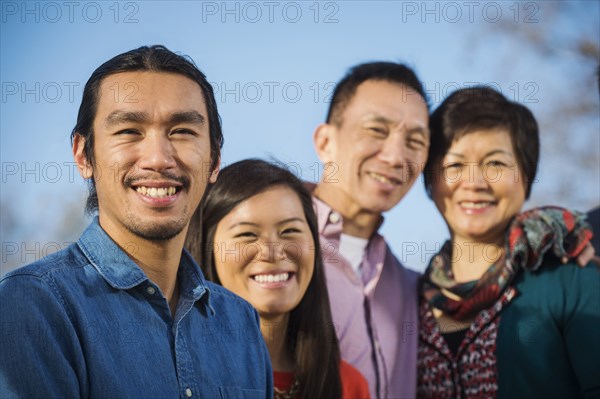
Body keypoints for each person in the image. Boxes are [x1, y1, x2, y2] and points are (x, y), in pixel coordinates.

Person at [0, 45, 273, 398]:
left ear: (215, 159)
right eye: (129, 130)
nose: (158, 159)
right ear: (84, 155)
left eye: (182, 131)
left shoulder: (241, 322)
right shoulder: (35, 306)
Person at [418, 86, 600, 398]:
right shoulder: (409, 299)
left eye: (496, 164)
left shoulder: (571, 278)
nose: (474, 183)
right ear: (431, 181)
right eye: (455, 165)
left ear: (526, 176)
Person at [186, 159, 370, 399]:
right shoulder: (177, 374)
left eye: (289, 231)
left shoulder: (348, 385)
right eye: (247, 234)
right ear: (207, 247)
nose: (272, 251)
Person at [310, 61, 430, 398]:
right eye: (377, 130)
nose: (395, 156)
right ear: (325, 142)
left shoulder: (414, 288)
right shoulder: (267, 252)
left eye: (415, 140)